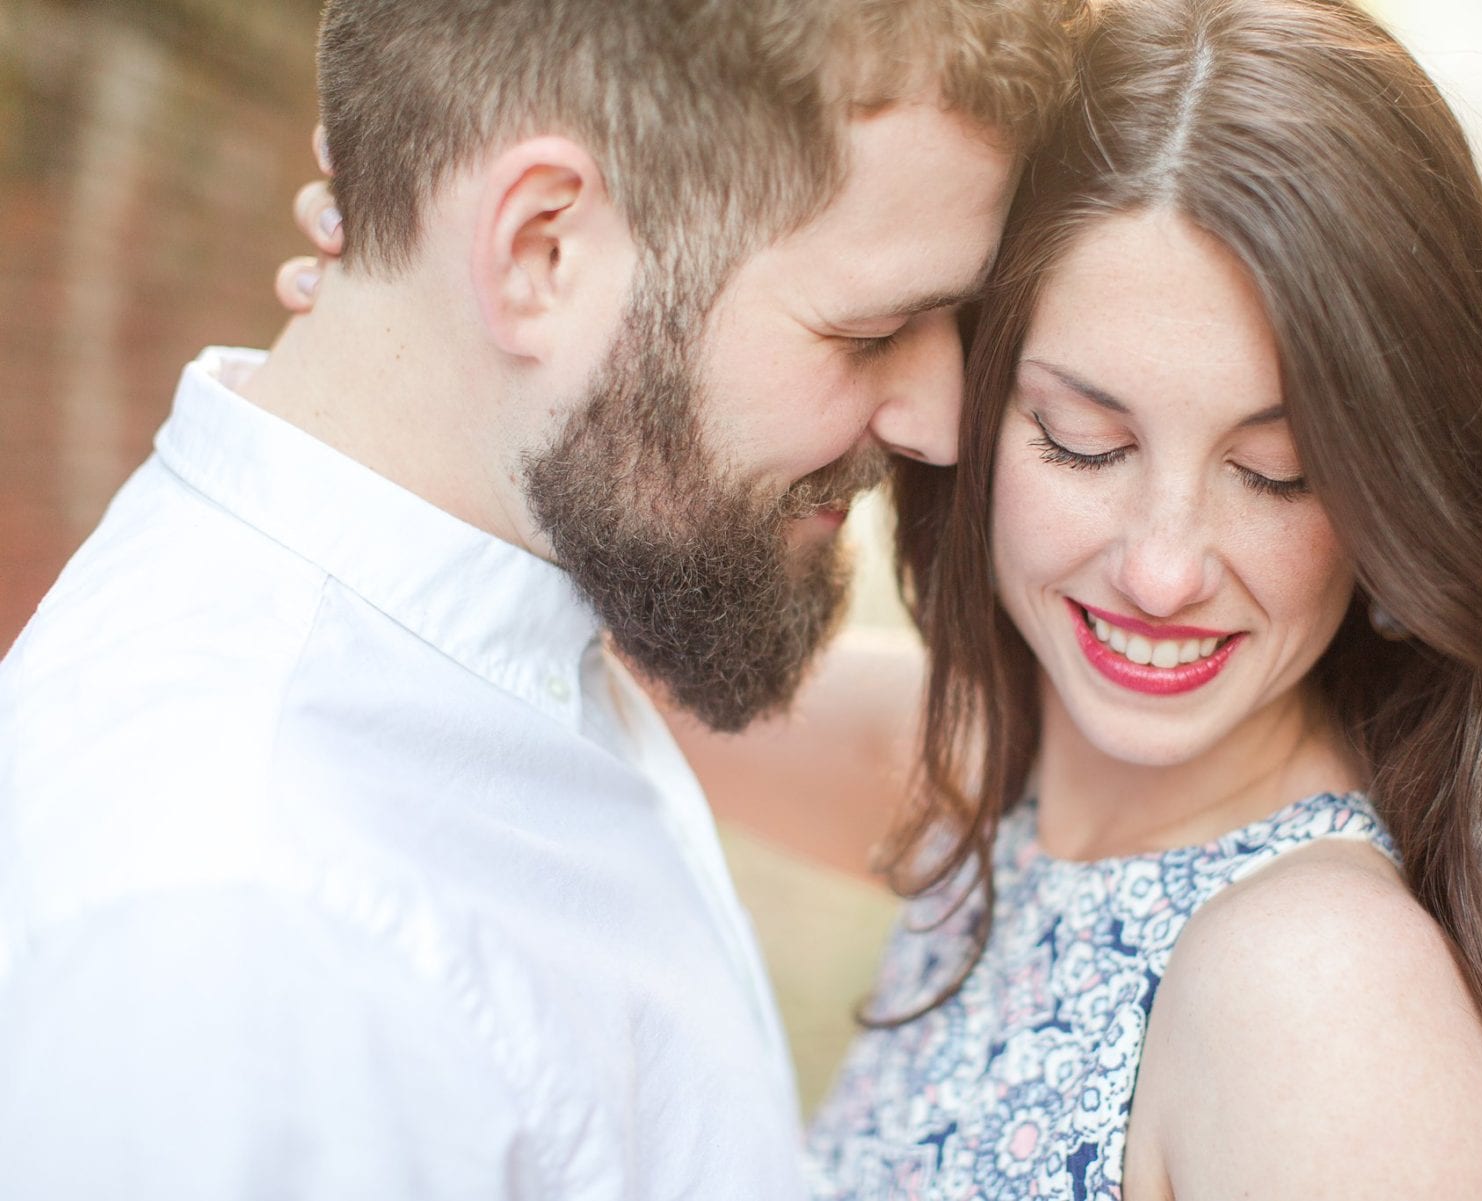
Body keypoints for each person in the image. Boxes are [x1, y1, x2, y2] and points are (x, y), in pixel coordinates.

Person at [274, 1, 1482, 1198]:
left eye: (1278, 475)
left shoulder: (1319, 1002)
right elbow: (629, 625)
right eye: (1083, 442)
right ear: (956, 402)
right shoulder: (1009, 784)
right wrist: (446, 326)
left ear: (1401, 500)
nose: (1164, 566)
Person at [0, 1, 1076, 1195]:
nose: (936, 421)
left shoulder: (530, 591)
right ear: (540, 250)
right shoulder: (246, 934)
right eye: (871, 328)